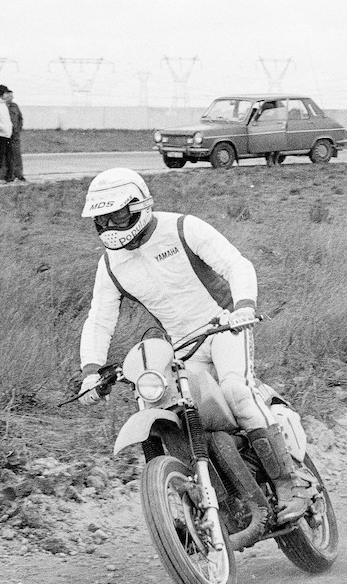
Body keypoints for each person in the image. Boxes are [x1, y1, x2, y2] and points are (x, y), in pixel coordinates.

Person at [75, 168, 314, 522]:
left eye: (118, 214)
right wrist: (91, 370)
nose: (110, 224)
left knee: (235, 390)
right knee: (172, 412)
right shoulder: (111, 264)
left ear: (139, 206)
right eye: (101, 218)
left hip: (223, 326)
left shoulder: (183, 228)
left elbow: (237, 265)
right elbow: (99, 318)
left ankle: (289, 483)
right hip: (181, 347)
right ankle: (197, 504)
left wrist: (244, 306)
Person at [5, 87, 26, 182]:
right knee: (7, 156)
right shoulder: (3, 106)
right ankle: (9, 175)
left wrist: (18, 128)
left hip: (15, 135)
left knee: (17, 155)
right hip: (6, 134)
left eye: (12, 96)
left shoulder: (15, 106)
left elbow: (20, 118)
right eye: (10, 96)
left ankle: (19, 174)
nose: (12, 97)